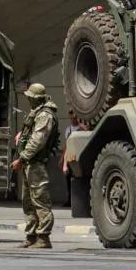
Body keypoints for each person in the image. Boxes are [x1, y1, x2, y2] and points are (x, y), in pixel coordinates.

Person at [12, 83, 59, 249]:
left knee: (40, 200)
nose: (27, 99)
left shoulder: (45, 115)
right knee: (28, 202)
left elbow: (37, 141)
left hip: (35, 164)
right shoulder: (37, 113)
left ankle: (43, 238)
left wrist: (21, 158)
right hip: (29, 164)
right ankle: (31, 235)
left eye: (29, 97)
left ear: (35, 98)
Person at [61, 111, 84, 208]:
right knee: (68, 179)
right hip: (70, 157)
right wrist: (63, 160)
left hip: (79, 157)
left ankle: (80, 201)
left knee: (79, 179)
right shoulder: (68, 129)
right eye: (71, 118)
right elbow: (67, 146)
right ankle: (69, 200)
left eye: (74, 118)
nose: (73, 120)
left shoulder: (82, 128)